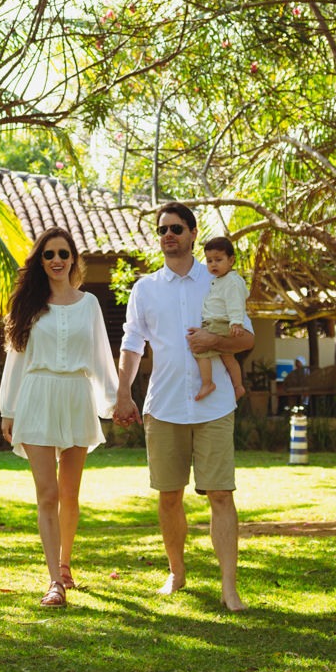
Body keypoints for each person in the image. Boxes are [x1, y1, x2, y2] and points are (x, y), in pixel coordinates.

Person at [113, 202, 255, 612]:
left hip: (216, 404)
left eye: (176, 228)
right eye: (162, 229)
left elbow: (246, 340)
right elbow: (131, 344)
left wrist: (215, 343)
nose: (168, 234)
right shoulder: (145, 289)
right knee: (169, 496)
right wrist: (125, 393)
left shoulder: (219, 279)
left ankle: (230, 587)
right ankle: (177, 572)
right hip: (164, 405)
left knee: (221, 495)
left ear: (193, 233)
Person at [0, 227, 119, 609]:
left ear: (73, 258)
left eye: (63, 253)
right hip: (37, 396)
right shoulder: (29, 304)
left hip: (77, 397)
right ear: (41, 261)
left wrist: (115, 402)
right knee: (47, 494)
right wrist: (8, 408)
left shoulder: (90, 304)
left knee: (69, 493)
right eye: (49, 254)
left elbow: (101, 355)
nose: (56, 260)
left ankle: (66, 563)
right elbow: (16, 359)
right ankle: (54, 582)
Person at [192, 236, 249, 401]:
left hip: (219, 324)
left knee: (199, 349)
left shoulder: (232, 281)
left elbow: (236, 303)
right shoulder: (224, 279)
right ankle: (238, 386)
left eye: (218, 260)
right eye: (209, 261)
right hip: (222, 324)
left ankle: (207, 383)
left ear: (231, 260)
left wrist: (237, 323)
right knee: (228, 358)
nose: (213, 264)